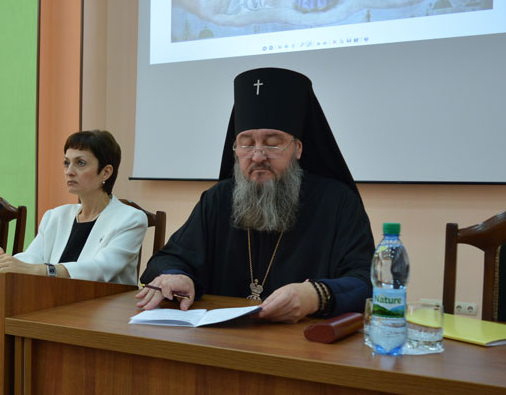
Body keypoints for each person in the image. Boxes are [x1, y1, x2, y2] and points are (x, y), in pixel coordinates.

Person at [137, 68, 374, 323]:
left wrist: (316, 295)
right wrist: (177, 275)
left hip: (305, 340)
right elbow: (169, 258)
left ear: (298, 148)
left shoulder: (337, 202)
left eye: (272, 143)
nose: (258, 156)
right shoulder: (218, 199)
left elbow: (366, 282)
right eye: (246, 144)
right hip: (220, 339)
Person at [0, 130, 147, 285]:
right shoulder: (56, 215)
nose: (69, 171)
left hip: (104, 304)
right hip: (54, 300)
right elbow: (32, 258)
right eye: (67, 163)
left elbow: (100, 269)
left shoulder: (130, 219)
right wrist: (3, 260)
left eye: (80, 163)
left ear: (106, 172)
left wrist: (42, 270)